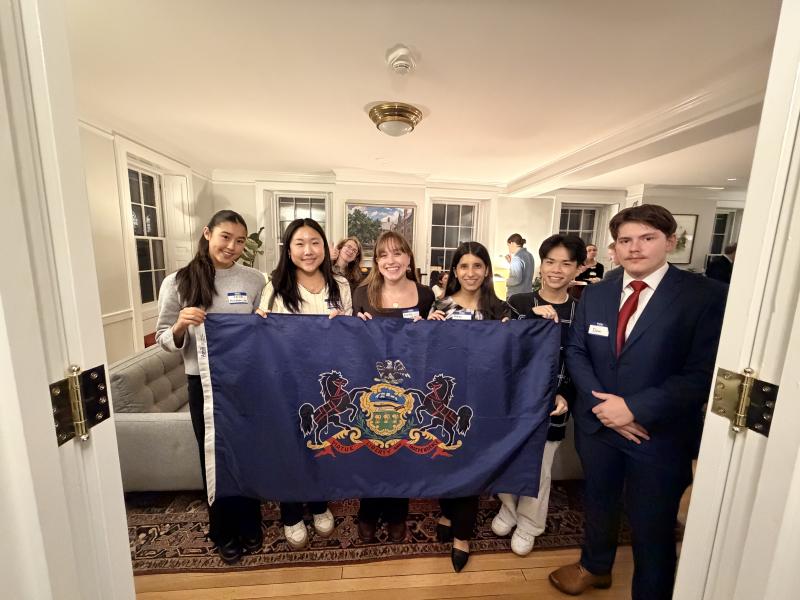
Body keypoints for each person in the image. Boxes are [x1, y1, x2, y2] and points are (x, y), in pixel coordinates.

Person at [548, 205, 726, 600]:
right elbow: (577, 352)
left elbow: (703, 373)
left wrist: (633, 409)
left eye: (647, 238)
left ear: (671, 241)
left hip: (658, 432)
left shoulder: (705, 296)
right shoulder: (595, 294)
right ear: (614, 248)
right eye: (625, 240)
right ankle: (594, 567)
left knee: (653, 523)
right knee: (597, 502)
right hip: (597, 427)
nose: (635, 248)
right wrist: (604, 409)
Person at [155, 209, 266, 564]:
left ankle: (251, 525)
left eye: (239, 241)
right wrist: (180, 326)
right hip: (202, 384)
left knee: (249, 456)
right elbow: (163, 340)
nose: (231, 246)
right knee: (214, 459)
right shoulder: (177, 282)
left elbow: (265, 333)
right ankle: (222, 531)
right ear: (207, 234)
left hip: (247, 383)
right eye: (225, 237)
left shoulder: (255, 280)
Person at [257, 218, 352, 549]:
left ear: (325, 247)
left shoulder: (340, 284)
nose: (308, 250)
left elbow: (353, 335)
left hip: (328, 382)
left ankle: (319, 503)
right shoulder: (274, 287)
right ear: (288, 248)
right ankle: (291, 512)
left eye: (315, 242)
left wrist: (348, 324)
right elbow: (262, 338)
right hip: (287, 382)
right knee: (290, 446)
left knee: (322, 443)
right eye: (299, 243)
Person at [491, 234, 586, 556]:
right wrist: (533, 320)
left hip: (552, 403)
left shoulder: (582, 312)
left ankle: (531, 523)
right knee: (506, 459)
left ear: (577, 269)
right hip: (513, 401)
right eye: (550, 262)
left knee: (540, 466)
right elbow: (502, 351)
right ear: (541, 265)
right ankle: (508, 509)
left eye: (566, 263)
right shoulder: (519, 304)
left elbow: (582, 361)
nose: (556, 270)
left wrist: (566, 395)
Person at [428, 241, 510, 572]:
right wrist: (428, 327)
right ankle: (447, 512)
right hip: (446, 398)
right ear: (454, 271)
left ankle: (462, 536)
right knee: (445, 458)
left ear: (487, 270)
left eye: (477, 266)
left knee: (471, 465)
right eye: (464, 266)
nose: (471, 272)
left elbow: (513, 353)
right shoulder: (440, 306)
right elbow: (425, 353)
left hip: (482, 399)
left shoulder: (500, 310)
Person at [351, 231, 435, 544]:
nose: (392, 261)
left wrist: (429, 329)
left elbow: (435, 345)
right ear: (376, 261)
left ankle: (398, 513)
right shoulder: (362, 294)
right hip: (370, 386)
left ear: (409, 257)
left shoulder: (425, 295)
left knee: (403, 452)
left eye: (398, 253)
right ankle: (368, 512)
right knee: (370, 451)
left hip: (410, 387)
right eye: (384, 255)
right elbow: (351, 343)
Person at [505, 233, 535, 298]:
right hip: (528, 295)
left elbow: (516, 280)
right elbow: (525, 272)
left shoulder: (516, 258)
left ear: (512, 243)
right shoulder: (529, 255)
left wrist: (505, 281)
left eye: (508, 245)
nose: (508, 248)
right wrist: (511, 263)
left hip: (516, 297)